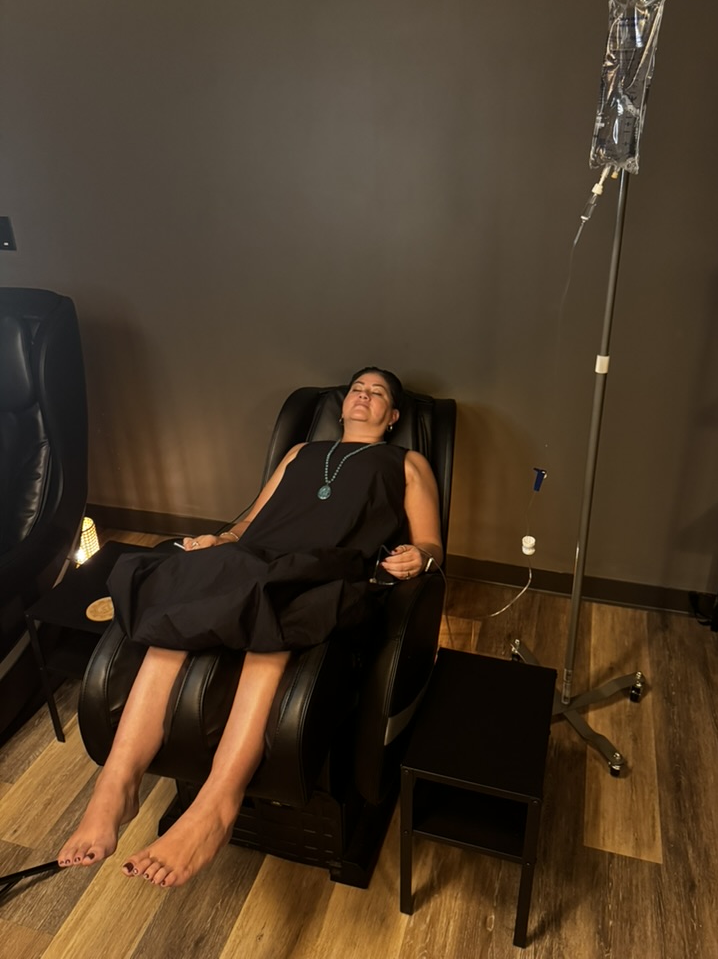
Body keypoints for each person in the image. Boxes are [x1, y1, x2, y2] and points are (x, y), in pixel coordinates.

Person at [57, 368, 443, 888]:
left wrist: (419, 556)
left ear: (392, 416)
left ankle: (218, 802)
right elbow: (248, 526)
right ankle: (118, 783)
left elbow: (432, 544)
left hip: (328, 569)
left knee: (276, 613)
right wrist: (220, 542)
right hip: (256, 559)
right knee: (177, 610)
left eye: (378, 393)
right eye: (357, 389)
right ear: (342, 405)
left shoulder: (407, 463)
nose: (364, 396)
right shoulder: (300, 452)